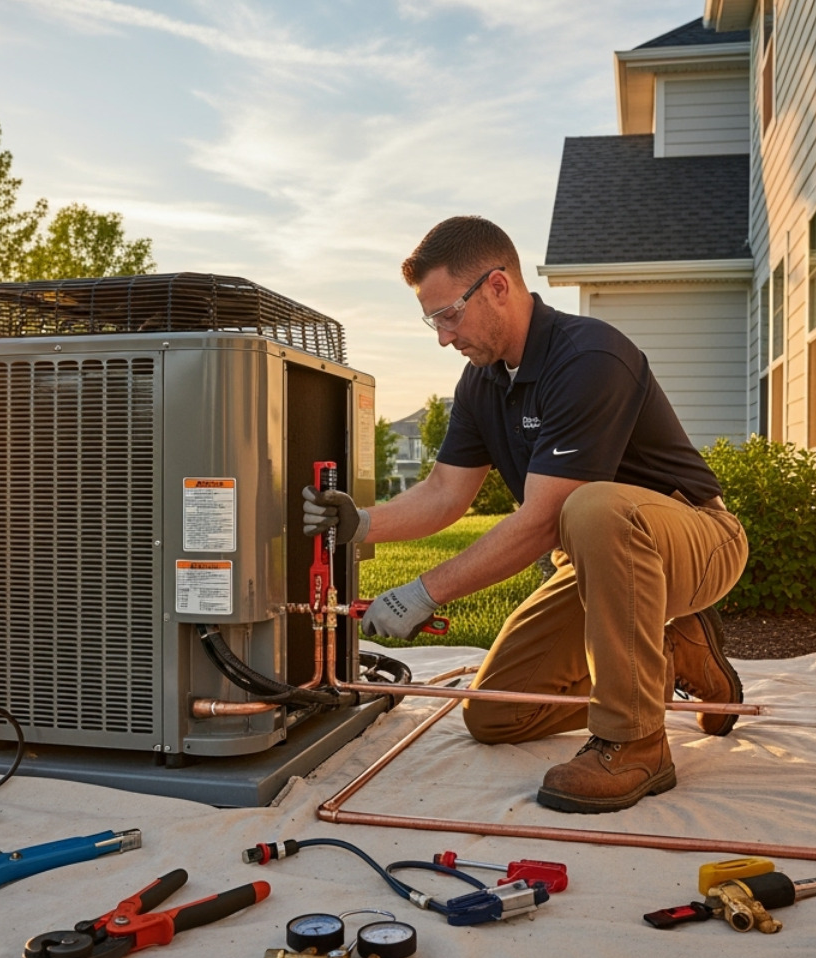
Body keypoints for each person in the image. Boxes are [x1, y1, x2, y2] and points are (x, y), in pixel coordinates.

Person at [303, 215, 748, 814]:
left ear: (497, 286)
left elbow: (544, 520)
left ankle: (636, 741)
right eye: (432, 319)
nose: (442, 336)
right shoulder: (482, 383)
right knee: (493, 714)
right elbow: (442, 493)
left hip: (696, 540)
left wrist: (425, 592)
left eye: (448, 315)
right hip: (601, 563)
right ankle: (668, 655)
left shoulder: (590, 356)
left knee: (590, 506)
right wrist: (360, 522)